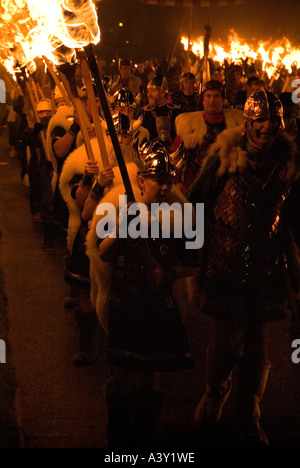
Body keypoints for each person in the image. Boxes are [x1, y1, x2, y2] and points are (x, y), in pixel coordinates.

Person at [186, 88, 300, 446]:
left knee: (258, 345)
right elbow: (196, 203)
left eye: (273, 121)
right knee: (226, 342)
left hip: (267, 267)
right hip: (226, 263)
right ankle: (213, 396)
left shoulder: (289, 163)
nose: (267, 128)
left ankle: (249, 413)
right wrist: (195, 250)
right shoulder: (223, 158)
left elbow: (294, 216)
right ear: (249, 123)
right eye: (261, 120)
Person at [86, 143, 200, 449]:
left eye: (168, 181)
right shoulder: (119, 207)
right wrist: (122, 228)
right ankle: (119, 441)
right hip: (127, 306)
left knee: (152, 377)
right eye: (157, 180)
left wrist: (168, 274)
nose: (164, 187)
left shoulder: (181, 216)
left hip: (160, 307)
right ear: (141, 181)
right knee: (123, 376)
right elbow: (103, 253)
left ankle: (145, 440)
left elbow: (195, 263)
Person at [60, 113, 140, 365]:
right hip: (92, 233)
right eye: (116, 134)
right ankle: (87, 345)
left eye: (126, 135)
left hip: (125, 235)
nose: (121, 139)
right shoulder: (85, 160)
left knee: (120, 299)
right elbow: (82, 205)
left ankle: (121, 350)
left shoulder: (140, 163)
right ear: (107, 135)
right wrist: (94, 182)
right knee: (86, 301)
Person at [175, 80, 244, 191]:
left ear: (222, 99)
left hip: (227, 182)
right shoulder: (188, 124)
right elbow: (177, 156)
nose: (212, 100)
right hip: (196, 182)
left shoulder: (237, 123)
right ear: (203, 100)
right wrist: (178, 182)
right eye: (208, 96)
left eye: (216, 96)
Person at [142, 74, 180, 152]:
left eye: (153, 91)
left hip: (172, 153)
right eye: (149, 91)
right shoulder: (145, 112)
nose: (149, 94)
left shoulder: (175, 111)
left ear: (163, 93)